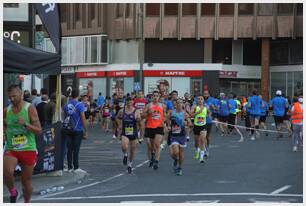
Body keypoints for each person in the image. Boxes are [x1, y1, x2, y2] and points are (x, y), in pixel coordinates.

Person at [4, 85, 42, 203]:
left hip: (28, 148)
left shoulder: (29, 108)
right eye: (10, 97)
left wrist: (25, 124)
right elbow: (4, 124)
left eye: (14, 96)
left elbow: (39, 130)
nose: (12, 99)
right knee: (6, 172)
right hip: (12, 148)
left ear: (21, 94)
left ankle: (27, 202)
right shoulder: (6, 110)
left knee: (26, 182)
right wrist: (4, 129)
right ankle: (13, 192)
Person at [62, 88, 88, 173]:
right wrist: (86, 130)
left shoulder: (66, 105)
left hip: (68, 129)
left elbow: (64, 117)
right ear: (78, 95)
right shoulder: (80, 105)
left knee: (69, 149)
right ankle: (76, 167)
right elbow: (83, 118)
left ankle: (70, 167)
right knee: (76, 149)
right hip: (78, 129)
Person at [116, 97, 141, 173]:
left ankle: (130, 165)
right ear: (126, 102)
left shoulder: (136, 111)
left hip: (134, 131)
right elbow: (117, 117)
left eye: (130, 101)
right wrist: (119, 124)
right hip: (125, 131)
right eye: (127, 101)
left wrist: (138, 119)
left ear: (133, 102)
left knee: (133, 150)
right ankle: (125, 154)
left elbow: (139, 120)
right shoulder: (122, 110)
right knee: (124, 146)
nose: (129, 102)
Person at [143, 90, 166, 170]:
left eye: (157, 96)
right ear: (152, 97)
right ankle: (152, 156)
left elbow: (165, 116)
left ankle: (156, 161)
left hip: (159, 127)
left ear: (159, 97)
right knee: (150, 146)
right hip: (149, 127)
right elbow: (143, 115)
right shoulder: (148, 105)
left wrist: (165, 123)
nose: (155, 97)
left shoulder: (163, 106)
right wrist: (148, 113)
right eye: (154, 96)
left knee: (157, 144)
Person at [167, 98, 189, 175]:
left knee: (181, 152)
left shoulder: (185, 114)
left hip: (182, 135)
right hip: (174, 135)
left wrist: (186, 123)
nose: (179, 104)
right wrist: (169, 126)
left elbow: (190, 123)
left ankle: (180, 167)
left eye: (181, 103)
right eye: (178, 103)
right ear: (175, 104)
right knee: (175, 152)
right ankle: (176, 159)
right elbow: (168, 120)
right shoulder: (171, 112)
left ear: (182, 104)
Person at [191, 95, 208, 163]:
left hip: (203, 126)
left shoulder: (206, 107)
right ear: (197, 100)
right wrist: (198, 112)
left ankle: (201, 158)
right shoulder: (194, 107)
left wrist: (208, 115)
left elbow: (209, 113)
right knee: (196, 142)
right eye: (199, 99)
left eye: (201, 99)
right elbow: (191, 115)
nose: (200, 100)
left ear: (203, 100)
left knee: (202, 140)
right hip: (196, 126)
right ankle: (197, 150)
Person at [203, 90, 214, 157]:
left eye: (206, 94)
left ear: (208, 95)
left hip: (209, 121)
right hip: (201, 121)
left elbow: (214, 109)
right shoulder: (201, 101)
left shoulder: (211, 101)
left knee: (208, 137)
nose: (205, 95)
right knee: (203, 136)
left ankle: (207, 148)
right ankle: (204, 150)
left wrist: (214, 108)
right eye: (204, 94)